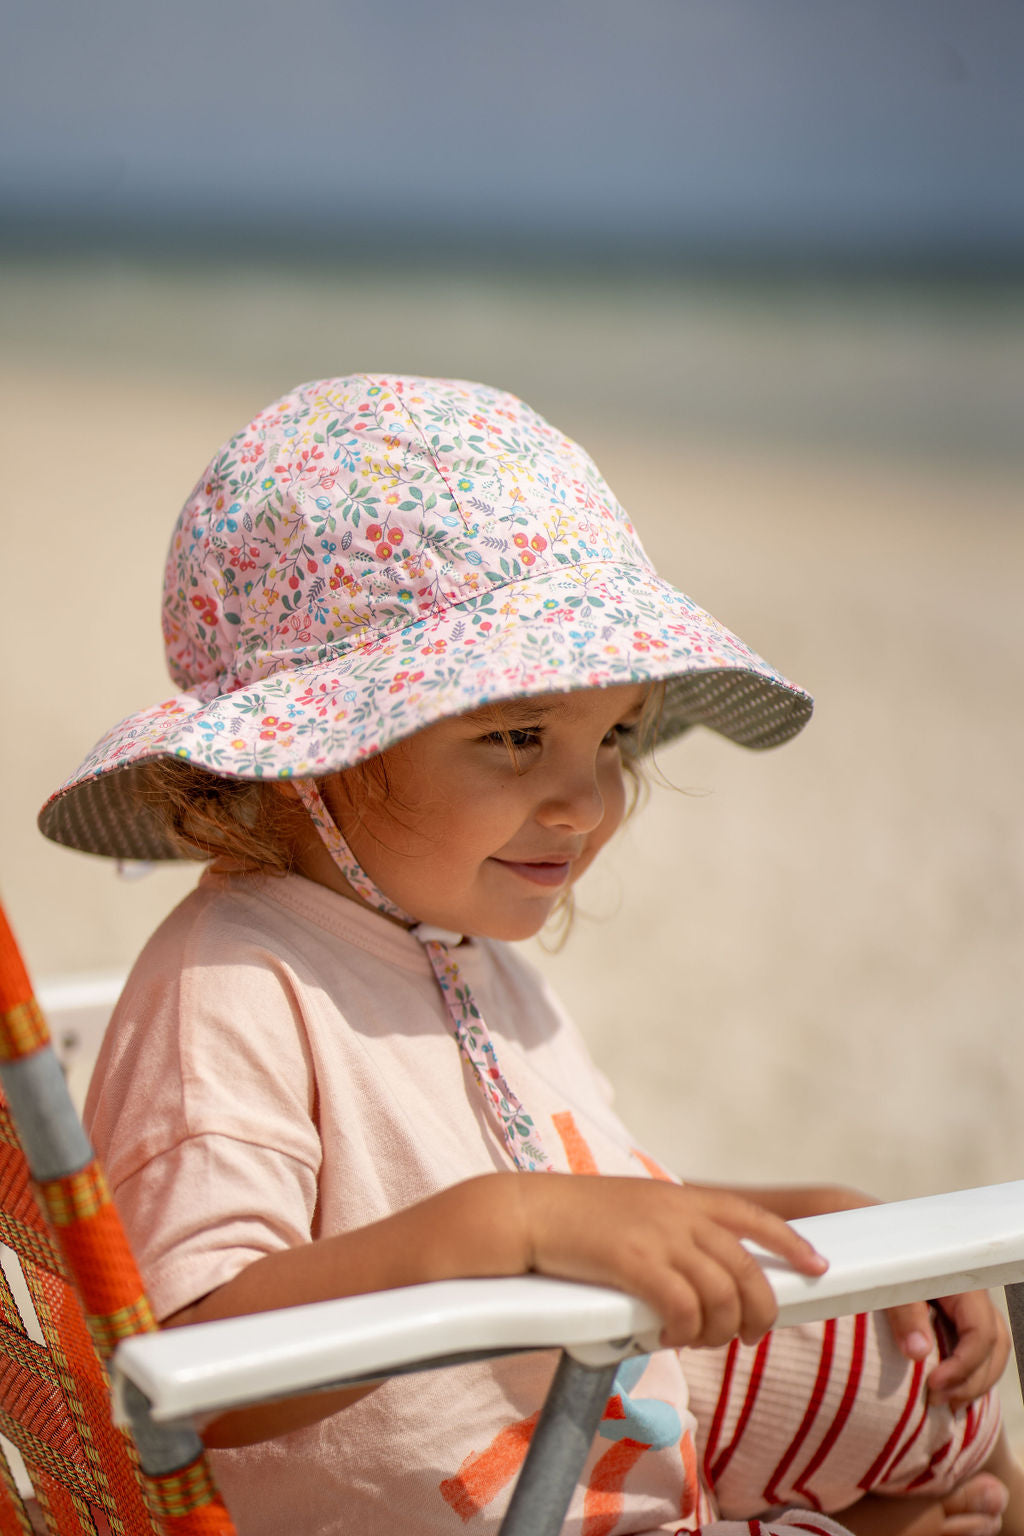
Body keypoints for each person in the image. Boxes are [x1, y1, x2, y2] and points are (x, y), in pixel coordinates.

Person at [40, 374, 1022, 1536]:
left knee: (936, 1401)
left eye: (611, 736)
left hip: (584, 1464)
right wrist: (495, 1227)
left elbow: (580, 1204)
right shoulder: (233, 986)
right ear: (306, 756)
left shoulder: (465, 954)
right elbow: (184, 1372)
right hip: (485, 1507)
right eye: (514, 737)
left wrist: (784, 1212)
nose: (586, 799)